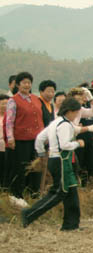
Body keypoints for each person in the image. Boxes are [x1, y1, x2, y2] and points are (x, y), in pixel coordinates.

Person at [20, 98, 84, 231]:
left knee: (71, 191)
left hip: (55, 160)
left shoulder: (55, 122)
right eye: (76, 113)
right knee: (58, 192)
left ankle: (71, 224)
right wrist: (78, 143)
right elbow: (65, 145)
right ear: (70, 111)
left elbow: (40, 139)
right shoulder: (65, 124)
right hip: (62, 161)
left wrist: (42, 154)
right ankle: (29, 214)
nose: (77, 115)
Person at [5, 71, 45, 203]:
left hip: (36, 139)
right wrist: (10, 138)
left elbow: (41, 118)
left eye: (29, 83)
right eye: (24, 83)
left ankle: (34, 194)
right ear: (18, 84)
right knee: (21, 167)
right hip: (21, 139)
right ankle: (17, 195)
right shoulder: (13, 100)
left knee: (37, 167)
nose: (27, 85)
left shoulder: (36, 99)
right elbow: (9, 121)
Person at [0, 94, 8, 189]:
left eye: (7, 104)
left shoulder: (11, 118)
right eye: (2, 104)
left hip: (6, 148)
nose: (4, 106)